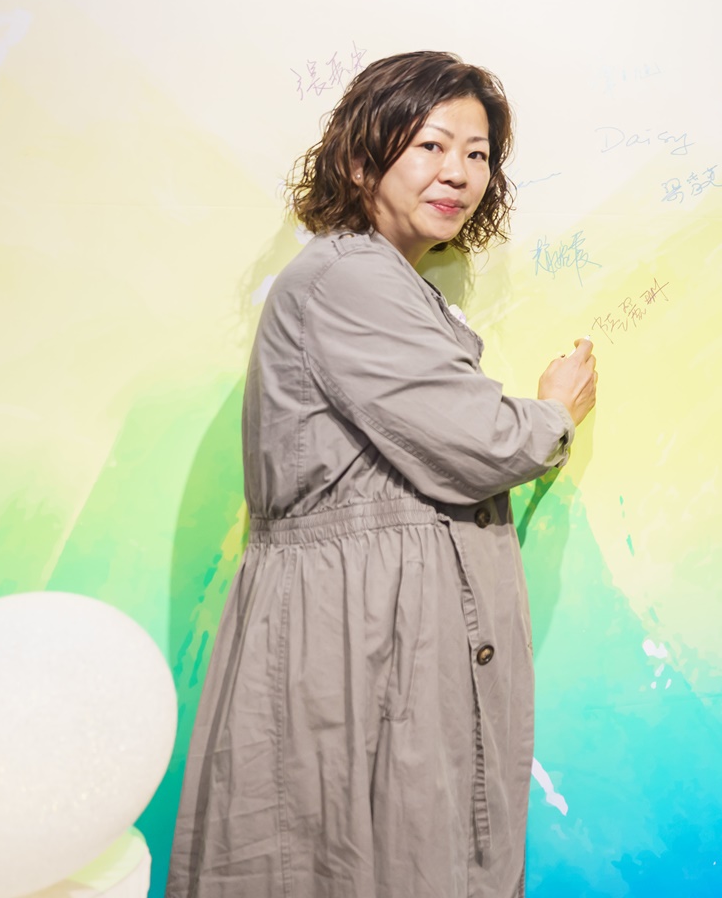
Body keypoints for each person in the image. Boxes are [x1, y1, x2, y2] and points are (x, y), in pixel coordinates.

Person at [167, 51, 598, 897]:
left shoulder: (374, 278)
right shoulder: (351, 276)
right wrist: (554, 411)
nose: (459, 173)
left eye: (478, 154)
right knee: (352, 850)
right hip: (355, 632)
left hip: (371, 623)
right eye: (432, 145)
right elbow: (479, 442)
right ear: (364, 159)